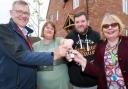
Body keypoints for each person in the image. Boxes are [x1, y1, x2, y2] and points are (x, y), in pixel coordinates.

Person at [0, 1, 69, 89]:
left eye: (26, 13)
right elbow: (21, 55)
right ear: (11, 13)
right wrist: (54, 55)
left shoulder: (25, 34)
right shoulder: (3, 30)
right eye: (19, 12)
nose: (23, 15)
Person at [70, 13, 128, 89]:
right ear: (103, 30)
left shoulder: (126, 42)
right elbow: (98, 70)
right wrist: (81, 60)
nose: (110, 28)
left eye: (114, 25)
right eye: (106, 26)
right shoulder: (100, 46)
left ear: (119, 27)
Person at [66, 12, 100, 89]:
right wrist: (66, 57)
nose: (80, 24)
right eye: (77, 22)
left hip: (94, 82)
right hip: (76, 84)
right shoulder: (69, 37)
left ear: (88, 22)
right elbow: (66, 58)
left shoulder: (96, 36)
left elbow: (101, 57)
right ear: (74, 24)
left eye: (82, 21)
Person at [33, 21, 72, 89]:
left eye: (52, 29)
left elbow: (68, 41)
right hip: (42, 84)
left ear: (54, 32)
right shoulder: (35, 46)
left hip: (61, 84)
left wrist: (68, 43)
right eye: (47, 27)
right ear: (43, 30)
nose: (49, 30)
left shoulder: (58, 41)